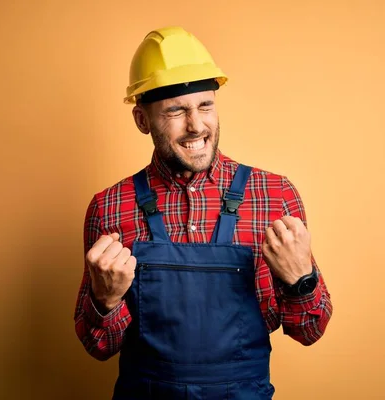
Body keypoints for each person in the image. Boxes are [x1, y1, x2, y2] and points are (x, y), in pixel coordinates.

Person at [74, 26, 333, 400]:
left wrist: (301, 280)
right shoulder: (110, 207)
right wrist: (105, 300)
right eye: (176, 110)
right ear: (142, 121)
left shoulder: (274, 195)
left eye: (205, 105)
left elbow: (310, 331)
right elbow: (97, 346)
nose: (196, 125)